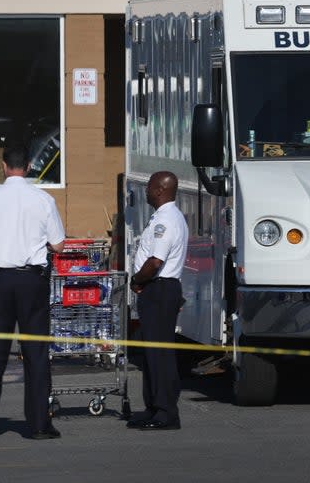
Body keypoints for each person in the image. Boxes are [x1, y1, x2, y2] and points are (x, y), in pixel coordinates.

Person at [0, 145, 65, 441]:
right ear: (30, 165)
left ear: (4, 166)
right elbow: (58, 245)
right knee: (36, 352)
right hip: (31, 279)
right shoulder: (43, 199)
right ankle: (38, 425)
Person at [127, 171, 188, 431]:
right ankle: (153, 407)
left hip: (159, 289)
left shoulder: (166, 221)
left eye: (150, 187)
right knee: (151, 353)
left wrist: (137, 281)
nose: (146, 191)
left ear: (160, 190)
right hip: (159, 289)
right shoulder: (165, 217)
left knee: (160, 354)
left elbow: (155, 263)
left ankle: (166, 413)